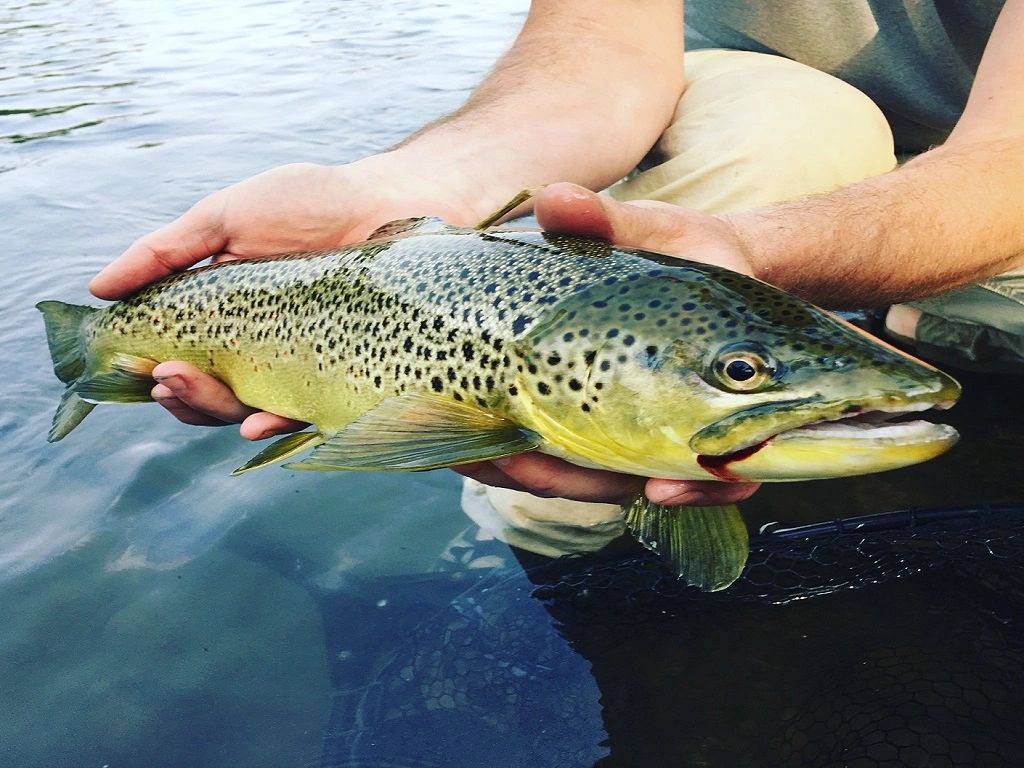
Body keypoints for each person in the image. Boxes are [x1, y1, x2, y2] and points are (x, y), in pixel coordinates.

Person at [89, 0, 1024, 556]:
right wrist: (395, 190)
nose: (740, 376)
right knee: (793, 130)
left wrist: (756, 254)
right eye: (739, 373)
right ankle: (555, 544)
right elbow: (589, 67)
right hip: (758, 104)